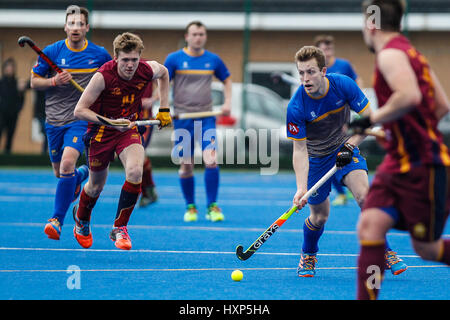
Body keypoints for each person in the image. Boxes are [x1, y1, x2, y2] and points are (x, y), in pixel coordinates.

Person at [351, 0, 450, 300]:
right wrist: (398, 133)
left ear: (371, 24)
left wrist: (370, 119)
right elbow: (441, 106)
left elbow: (408, 95)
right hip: (400, 161)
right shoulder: (410, 52)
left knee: (427, 249)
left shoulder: (390, 54)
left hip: (423, 164)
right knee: (370, 225)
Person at [287, 45, 407, 277]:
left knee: (365, 197)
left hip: (346, 149)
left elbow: (369, 121)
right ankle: (308, 254)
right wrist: (301, 187)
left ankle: (384, 250)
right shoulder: (296, 106)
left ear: (323, 71)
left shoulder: (343, 85)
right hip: (316, 159)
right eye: (301, 73)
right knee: (320, 216)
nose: (305, 78)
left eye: (310, 72)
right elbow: (299, 149)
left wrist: (349, 146)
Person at [72, 32, 171, 250]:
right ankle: (81, 218)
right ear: (116, 58)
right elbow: (79, 110)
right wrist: (110, 122)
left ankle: (120, 228)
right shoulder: (102, 77)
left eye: (134, 60)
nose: (130, 65)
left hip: (129, 128)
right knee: (96, 186)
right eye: (125, 60)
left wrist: (163, 109)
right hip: (100, 132)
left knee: (136, 172)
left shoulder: (146, 69)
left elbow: (164, 74)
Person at [30, 5, 112, 240]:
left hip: (80, 118)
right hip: (54, 120)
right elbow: (34, 82)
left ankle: (56, 220)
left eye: (80, 24)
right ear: (65, 27)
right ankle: (83, 173)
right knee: (61, 172)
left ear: (87, 27)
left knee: (66, 164)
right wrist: (54, 81)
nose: (75, 28)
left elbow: (111, 79)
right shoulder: (52, 52)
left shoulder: (99, 55)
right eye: (71, 23)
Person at [164, 21, 232, 222]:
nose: (198, 37)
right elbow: (162, 83)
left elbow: (227, 80)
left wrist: (227, 102)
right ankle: (190, 206)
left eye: (201, 34)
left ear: (205, 36)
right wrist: (164, 108)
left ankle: (212, 206)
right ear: (187, 36)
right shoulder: (174, 59)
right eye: (194, 34)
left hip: (206, 118)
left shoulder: (213, 60)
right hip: (183, 120)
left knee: (211, 160)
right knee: (186, 165)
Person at [314, 34, 363, 206]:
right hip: (322, 124)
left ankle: (348, 188)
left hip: (342, 119)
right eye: (323, 49)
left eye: (329, 48)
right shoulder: (315, 71)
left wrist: (355, 112)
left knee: (342, 153)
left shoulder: (344, 66)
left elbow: (356, 84)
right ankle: (341, 193)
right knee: (328, 158)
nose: (326, 52)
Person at [138, 82, 159, 207]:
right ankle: (148, 190)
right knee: (135, 157)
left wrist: (153, 99)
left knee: (138, 154)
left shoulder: (148, 68)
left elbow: (164, 84)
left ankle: (146, 191)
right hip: (126, 120)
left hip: (145, 121)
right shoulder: (115, 69)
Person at [0, 58, 27, 153]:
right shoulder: (1, 82)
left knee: (10, 135)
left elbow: (22, 98)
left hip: (13, 114)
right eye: (8, 67)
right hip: (2, 114)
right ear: (4, 68)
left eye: (11, 67)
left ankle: (7, 155)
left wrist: (18, 109)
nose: (10, 69)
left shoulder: (17, 83)